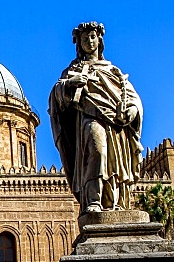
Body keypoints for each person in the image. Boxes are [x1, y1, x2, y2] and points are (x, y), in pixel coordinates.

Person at [48, 22, 143, 214]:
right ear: (79, 43)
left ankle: (114, 201)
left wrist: (133, 110)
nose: (89, 42)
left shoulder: (112, 70)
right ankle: (94, 200)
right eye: (85, 38)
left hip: (116, 124)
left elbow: (131, 96)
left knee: (113, 162)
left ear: (99, 40)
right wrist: (69, 84)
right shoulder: (74, 70)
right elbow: (55, 97)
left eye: (92, 37)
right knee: (97, 152)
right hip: (90, 117)